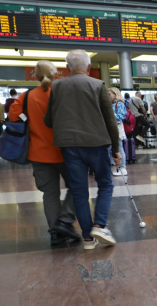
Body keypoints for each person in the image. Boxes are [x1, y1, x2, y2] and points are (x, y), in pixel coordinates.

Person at [44, 49, 121, 249]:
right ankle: (99, 225)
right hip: (97, 144)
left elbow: (49, 120)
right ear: (88, 66)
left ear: (68, 67)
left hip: (70, 145)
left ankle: (87, 238)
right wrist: (116, 149)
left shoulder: (57, 86)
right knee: (105, 184)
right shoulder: (97, 85)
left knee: (79, 191)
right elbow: (110, 121)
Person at [10, 60, 82, 247]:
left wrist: (30, 118)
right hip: (65, 151)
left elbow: (12, 117)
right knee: (77, 186)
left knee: (49, 194)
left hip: (38, 154)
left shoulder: (26, 97)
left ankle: (55, 235)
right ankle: (64, 221)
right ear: (56, 74)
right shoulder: (63, 92)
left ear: (34, 75)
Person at [108, 87, 129, 176]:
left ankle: (122, 167)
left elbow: (121, 116)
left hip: (116, 129)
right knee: (110, 148)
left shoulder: (119, 104)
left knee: (119, 147)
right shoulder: (110, 104)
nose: (107, 96)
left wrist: (110, 116)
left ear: (115, 94)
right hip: (109, 129)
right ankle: (113, 167)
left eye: (109, 94)